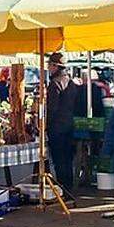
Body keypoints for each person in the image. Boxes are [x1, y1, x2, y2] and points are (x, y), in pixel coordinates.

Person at [45, 53, 78, 193]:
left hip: (57, 127)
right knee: (67, 159)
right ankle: (68, 188)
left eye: (49, 65)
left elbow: (52, 108)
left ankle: (62, 189)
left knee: (59, 160)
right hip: (69, 125)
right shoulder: (70, 82)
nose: (48, 68)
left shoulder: (55, 83)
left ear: (55, 66)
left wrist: (45, 125)